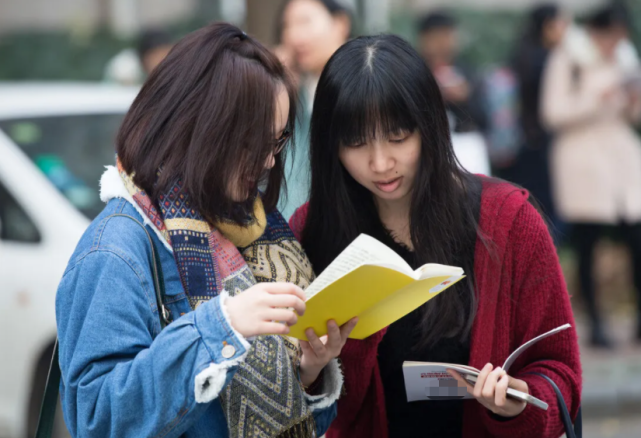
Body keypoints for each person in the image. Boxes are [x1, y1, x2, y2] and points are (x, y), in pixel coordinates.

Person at [56, 23, 356, 438]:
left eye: (277, 142)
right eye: (254, 145)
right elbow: (98, 420)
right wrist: (219, 325)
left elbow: (299, 421)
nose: (269, 163)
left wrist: (308, 370)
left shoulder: (256, 225)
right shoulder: (115, 248)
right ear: (200, 129)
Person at [289, 34, 581, 438]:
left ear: (429, 125)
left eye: (397, 137)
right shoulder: (310, 230)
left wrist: (518, 400)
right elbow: (284, 389)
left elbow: (559, 370)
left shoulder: (509, 221)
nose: (380, 163)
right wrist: (310, 371)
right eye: (355, 142)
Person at [541, 2, 641, 348]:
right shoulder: (568, 57)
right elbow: (551, 112)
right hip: (582, 162)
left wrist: (630, 100)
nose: (615, 43)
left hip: (621, 159)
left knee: (635, 240)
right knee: (587, 244)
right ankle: (595, 324)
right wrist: (596, 97)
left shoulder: (627, 57)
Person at [277, 0, 352, 219]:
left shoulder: (362, 87)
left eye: (304, 22)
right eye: (287, 26)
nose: (293, 36)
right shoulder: (294, 90)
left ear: (340, 23)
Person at [508, 4, 569, 240]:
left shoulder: (521, 54)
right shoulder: (549, 60)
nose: (564, 30)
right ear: (546, 27)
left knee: (531, 205)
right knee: (548, 207)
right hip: (541, 143)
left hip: (524, 142)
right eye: (560, 24)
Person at [103, 29, 174, 85]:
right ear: (146, 55)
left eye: (167, 55)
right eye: (159, 56)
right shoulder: (125, 67)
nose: (163, 61)